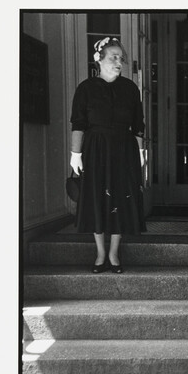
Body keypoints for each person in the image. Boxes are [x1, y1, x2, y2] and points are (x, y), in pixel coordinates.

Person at [70, 37, 147, 273]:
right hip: (95, 150)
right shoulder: (86, 88)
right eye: (113, 56)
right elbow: (78, 123)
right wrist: (75, 153)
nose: (118, 61)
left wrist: (142, 152)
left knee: (120, 199)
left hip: (124, 149)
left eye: (120, 58)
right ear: (99, 59)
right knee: (97, 198)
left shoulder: (130, 89)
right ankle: (100, 253)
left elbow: (138, 125)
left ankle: (113, 254)